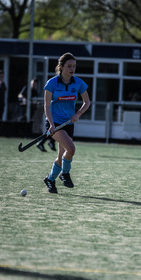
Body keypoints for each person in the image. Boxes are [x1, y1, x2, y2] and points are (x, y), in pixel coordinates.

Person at [43, 52, 91, 194]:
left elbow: (87, 102)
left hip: (69, 123)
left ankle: (50, 179)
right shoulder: (51, 83)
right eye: (69, 66)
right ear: (62, 67)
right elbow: (46, 106)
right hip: (55, 123)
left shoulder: (78, 83)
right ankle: (65, 174)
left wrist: (78, 113)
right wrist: (51, 124)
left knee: (61, 156)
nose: (72, 69)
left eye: (74, 66)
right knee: (71, 149)